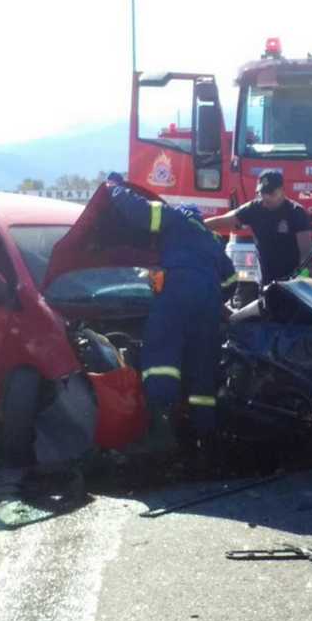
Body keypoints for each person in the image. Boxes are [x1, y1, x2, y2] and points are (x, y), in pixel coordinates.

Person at [106, 174, 236, 472]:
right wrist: (215, 300)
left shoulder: (174, 218)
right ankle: (205, 439)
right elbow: (230, 282)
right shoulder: (211, 238)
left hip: (177, 291)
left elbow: (139, 211)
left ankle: (161, 430)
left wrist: (114, 189)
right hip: (209, 302)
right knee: (202, 365)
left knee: (161, 356)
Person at [204, 170, 312, 286]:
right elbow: (223, 221)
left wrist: (303, 279)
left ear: (281, 190)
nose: (266, 197)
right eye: (262, 193)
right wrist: (191, 224)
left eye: (271, 193)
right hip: (266, 281)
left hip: (292, 283)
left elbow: (306, 255)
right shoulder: (254, 209)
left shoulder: (296, 212)